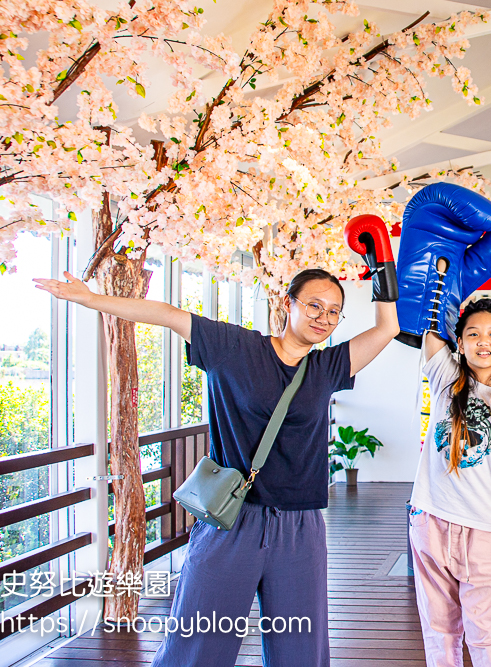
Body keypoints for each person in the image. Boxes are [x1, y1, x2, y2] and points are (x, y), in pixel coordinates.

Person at [34, 219, 399, 667]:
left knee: (300, 649)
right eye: (314, 306)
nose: (323, 318)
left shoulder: (328, 367)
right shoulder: (234, 347)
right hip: (231, 520)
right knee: (200, 644)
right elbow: (167, 314)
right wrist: (92, 300)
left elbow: (386, 328)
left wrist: (382, 263)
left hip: (300, 527)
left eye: (333, 312)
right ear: (288, 303)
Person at [409, 298, 491, 667]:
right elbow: (429, 326)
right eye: (473, 333)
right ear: (459, 343)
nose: (483, 341)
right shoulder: (446, 377)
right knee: (439, 628)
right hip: (431, 520)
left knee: (485, 628)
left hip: (485, 531)